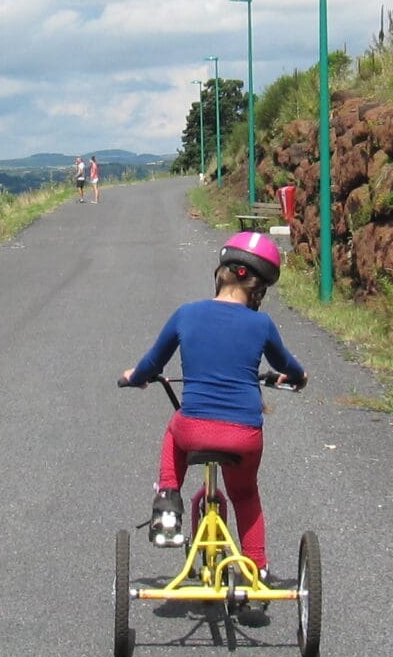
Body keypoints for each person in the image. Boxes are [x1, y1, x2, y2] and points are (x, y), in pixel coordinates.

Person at [118, 230, 306, 583]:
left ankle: (168, 500)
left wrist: (134, 376)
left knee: (175, 427)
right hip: (244, 435)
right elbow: (289, 367)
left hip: (195, 430)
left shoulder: (186, 313)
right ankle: (257, 570)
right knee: (245, 494)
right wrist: (299, 376)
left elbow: (151, 365)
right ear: (259, 289)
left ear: (220, 273)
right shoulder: (262, 324)